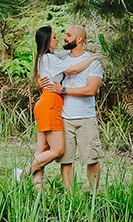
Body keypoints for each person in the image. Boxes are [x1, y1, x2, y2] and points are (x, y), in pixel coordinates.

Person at [19, 26, 99, 189]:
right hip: (51, 105)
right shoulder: (51, 58)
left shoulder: (52, 56)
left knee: (42, 149)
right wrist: (96, 56)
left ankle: (38, 190)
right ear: (48, 41)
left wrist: (89, 56)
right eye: (55, 37)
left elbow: (71, 58)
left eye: (66, 35)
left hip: (50, 104)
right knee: (58, 150)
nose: (60, 39)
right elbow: (75, 68)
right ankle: (22, 174)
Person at [44, 25, 104, 192]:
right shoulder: (60, 58)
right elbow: (42, 60)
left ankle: (93, 195)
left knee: (92, 159)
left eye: (68, 35)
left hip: (86, 117)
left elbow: (90, 90)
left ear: (79, 39)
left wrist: (63, 90)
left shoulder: (94, 62)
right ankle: (70, 198)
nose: (64, 38)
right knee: (66, 160)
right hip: (64, 117)